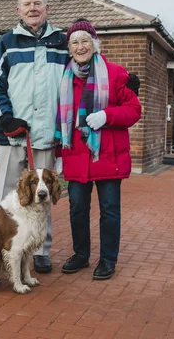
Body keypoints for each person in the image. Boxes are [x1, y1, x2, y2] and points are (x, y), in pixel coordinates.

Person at [0, 0, 68, 273]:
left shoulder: (62, 42)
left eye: (38, 3)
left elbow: (84, 71)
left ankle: (39, 250)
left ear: (47, 8)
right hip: (11, 136)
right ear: (18, 9)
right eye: (27, 4)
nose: (32, 8)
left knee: (42, 198)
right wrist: (5, 118)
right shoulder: (5, 44)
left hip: (45, 137)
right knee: (5, 197)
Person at [55, 18, 142, 280]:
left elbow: (134, 110)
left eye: (84, 41)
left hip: (107, 155)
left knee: (109, 210)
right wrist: (59, 153)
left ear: (94, 44)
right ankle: (81, 255)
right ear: (69, 48)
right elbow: (57, 116)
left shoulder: (115, 73)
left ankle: (107, 260)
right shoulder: (64, 77)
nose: (80, 47)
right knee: (77, 209)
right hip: (76, 155)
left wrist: (107, 115)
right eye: (74, 42)